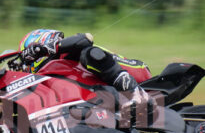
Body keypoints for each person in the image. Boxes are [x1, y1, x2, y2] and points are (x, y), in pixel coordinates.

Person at [18, 29, 149, 92]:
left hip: (137, 73)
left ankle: (132, 90)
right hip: (109, 96)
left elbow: (86, 39)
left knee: (87, 53)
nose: (26, 66)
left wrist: (47, 49)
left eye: (28, 59)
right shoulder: (55, 74)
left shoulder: (66, 54)